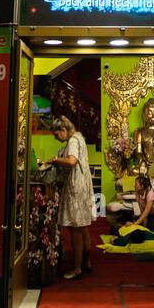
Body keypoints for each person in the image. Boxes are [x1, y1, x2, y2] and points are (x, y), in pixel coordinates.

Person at [47, 116, 94, 279]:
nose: (56, 138)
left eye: (56, 134)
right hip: (83, 185)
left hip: (76, 186)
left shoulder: (73, 140)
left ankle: (76, 268)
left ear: (63, 130)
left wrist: (55, 160)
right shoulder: (79, 137)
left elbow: (72, 161)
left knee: (75, 227)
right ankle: (86, 263)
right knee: (83, 226)